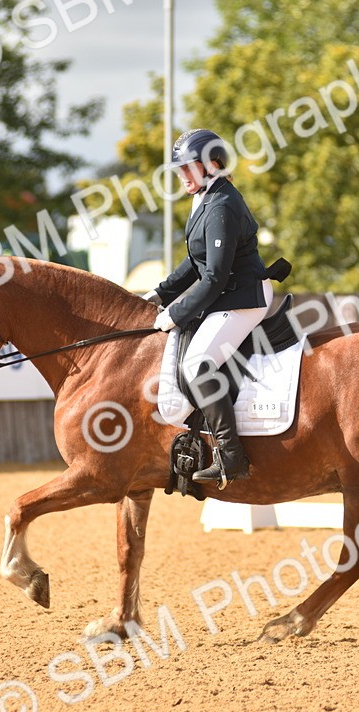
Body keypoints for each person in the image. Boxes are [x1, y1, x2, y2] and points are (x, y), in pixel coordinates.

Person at [143, 129, 273, 488]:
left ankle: (231, 457)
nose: (182, 175)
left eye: (187, 167)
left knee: (197, 365)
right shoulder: (206, 197)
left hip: (244, 298)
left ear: (211, 163)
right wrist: (160, 293)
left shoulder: (222, 205)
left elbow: (214, 276)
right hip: (226, 294)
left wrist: (175, 313)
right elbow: (195, 261)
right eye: (180, 169)